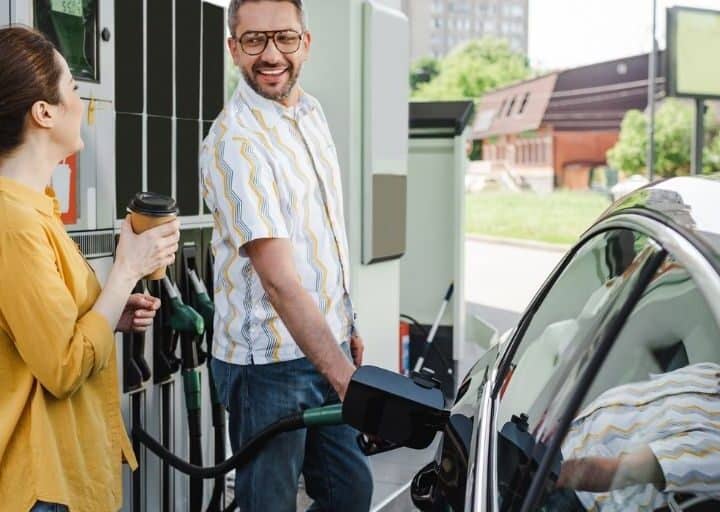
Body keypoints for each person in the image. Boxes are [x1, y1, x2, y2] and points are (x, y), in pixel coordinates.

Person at [199, 0, 373, 510]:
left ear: (306, 43)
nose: (271, 54)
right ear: (234, 48)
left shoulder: (311, 114)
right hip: (267, 365)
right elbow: (279, 282)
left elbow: (322, 236)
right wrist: (344, 376)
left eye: (284, 38)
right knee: (268, 503)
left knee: (350, 491)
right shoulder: (235, 142)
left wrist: (346, 324)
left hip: (323, 345)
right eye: (254, 40)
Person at [0, 27, 180, 511]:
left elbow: (41, 333)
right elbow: (61, 368)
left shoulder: (36, 207)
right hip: (40, 482)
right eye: (73, 90)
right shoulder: (13, 223)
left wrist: (110, 310)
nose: (81, 103)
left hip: (63, 470)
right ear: (43, 113)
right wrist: (125, 271)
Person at [552, 362, 720, 512]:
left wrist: (550, 476)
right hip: (563, 442)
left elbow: (623, 471)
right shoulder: (710, 371)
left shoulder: (716, 453)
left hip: (575, 494)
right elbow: (641, 403)